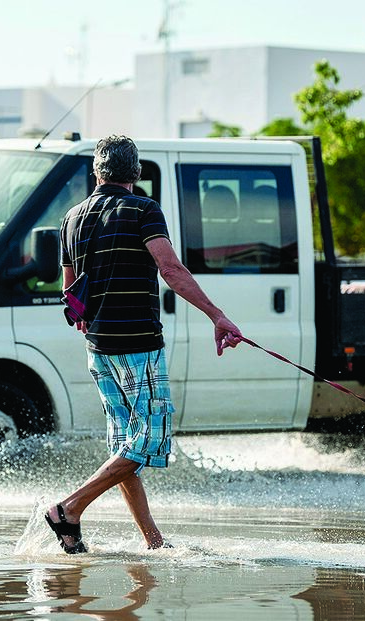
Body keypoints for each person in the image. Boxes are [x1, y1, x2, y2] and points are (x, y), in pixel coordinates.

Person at [47, 134, 243, 553]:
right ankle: (69, 507)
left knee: (125, 447)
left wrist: (84, 317)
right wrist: (217, 315)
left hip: (98, 347)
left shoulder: (71, 218)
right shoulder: (143, 210)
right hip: (138, 343)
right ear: (136, 173)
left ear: (97, 172)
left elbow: (69, 294)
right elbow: (170, 269)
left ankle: (154, 542)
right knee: (149, 439)